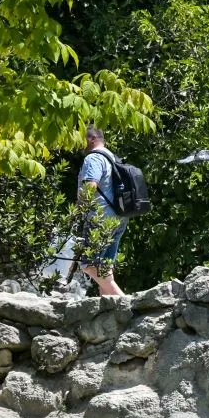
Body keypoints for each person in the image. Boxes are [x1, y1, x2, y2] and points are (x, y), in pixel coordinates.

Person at [77, 126, 129, 296]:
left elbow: (91, 186)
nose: (78, 144)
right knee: (104, 266)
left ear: (91, 139)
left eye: (82, 139)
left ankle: (125, 302)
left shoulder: (93, 158)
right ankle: (110, 308)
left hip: (100, 218)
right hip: (119, 217)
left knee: (89, 265)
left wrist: (77, 210)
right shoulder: (112, 157)